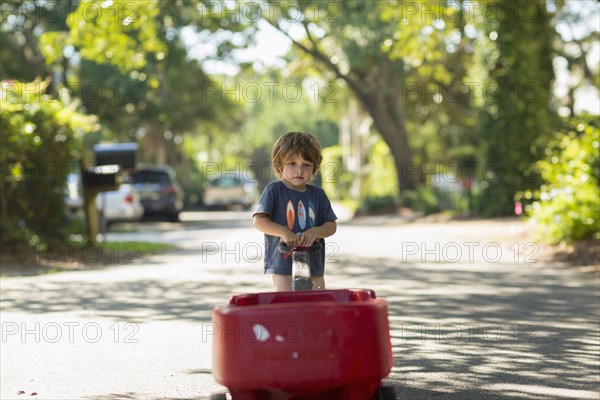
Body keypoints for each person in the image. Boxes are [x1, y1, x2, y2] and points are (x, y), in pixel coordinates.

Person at [253, 131, 337, 291]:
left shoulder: (318, 195)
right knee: (284, 303)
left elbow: (331, 226)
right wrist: (283, 231)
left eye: (306, 165)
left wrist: (315, 232)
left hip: (313, 263)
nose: (299, 170)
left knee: (316, 302)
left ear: (314, 168)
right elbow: (259, 221)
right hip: (281, 262)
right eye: (292, 163)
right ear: (279, 165)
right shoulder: (274, 190)